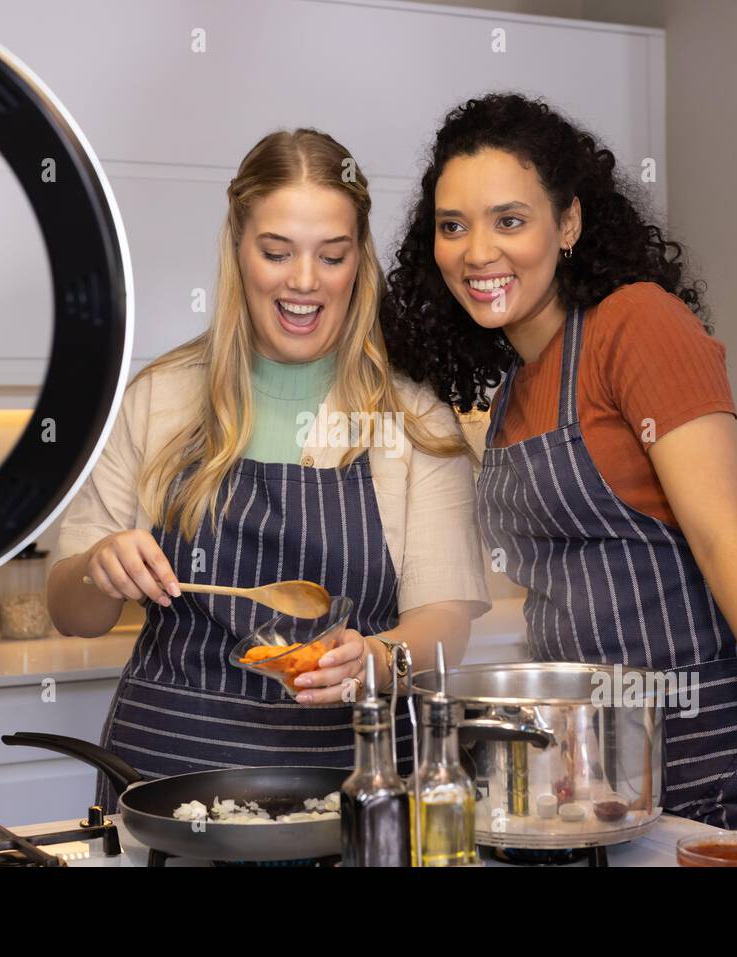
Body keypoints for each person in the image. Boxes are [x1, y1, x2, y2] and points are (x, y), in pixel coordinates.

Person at [381, 93, 737, 866]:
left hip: (701, 757)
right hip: (578, 776)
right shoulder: (513, 393)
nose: (476, 250)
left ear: (570, 224)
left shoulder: (638, 326)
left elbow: (728, 547)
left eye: (509, 220)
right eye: (454, 226)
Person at [47, 128, 489, 812]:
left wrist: (371, 659)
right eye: (276, 251)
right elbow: (71, 612)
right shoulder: (160, 397)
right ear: (238, 250)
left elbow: (443, 629)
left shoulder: (415, 419)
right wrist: (98, 564)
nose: (304, 281)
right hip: (166, 792)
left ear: (359, 262)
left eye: (332, 255)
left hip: (352, 793)